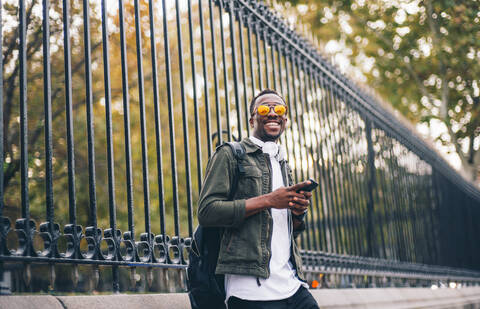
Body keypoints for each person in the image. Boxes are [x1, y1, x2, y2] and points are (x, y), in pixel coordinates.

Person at [198, 89, 320, 309]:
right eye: (265, 108)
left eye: (279, 109)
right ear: (252, 119)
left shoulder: (282, 162)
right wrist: (269, 200)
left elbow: (289, 230)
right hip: (251, 292)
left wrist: (298, 214)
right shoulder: (230, 154)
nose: (273, 113)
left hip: (293, 286)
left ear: (285, 119)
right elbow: (207, 211)